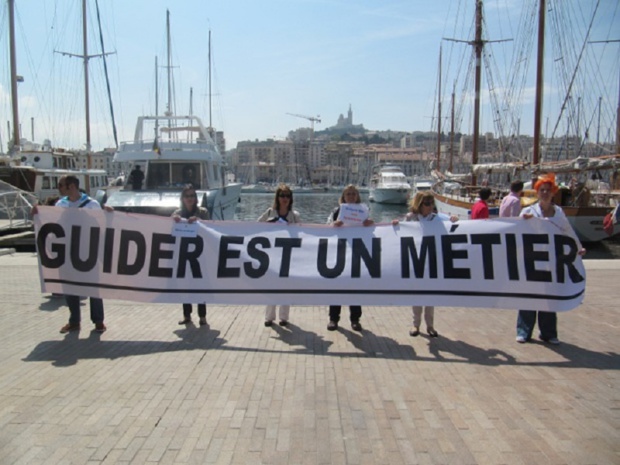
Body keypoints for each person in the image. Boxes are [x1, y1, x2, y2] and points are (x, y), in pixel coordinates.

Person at [32, 175, 110, 333]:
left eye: (61, 185)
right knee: (70, 287)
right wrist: (37, 212)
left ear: (72, 186)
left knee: (93, 288)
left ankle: (98, 321)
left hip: (88, 252)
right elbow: (50, 223)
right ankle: (74, 321)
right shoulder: (61, 204)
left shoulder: (92, 205)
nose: (58, 188)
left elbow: (102, 226)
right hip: (67, 253)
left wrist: (108, 214)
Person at [516, 173, 586, 345]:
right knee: (529, 295)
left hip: (552, 261)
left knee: (549, 296)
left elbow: (568, 231)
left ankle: (548, 333)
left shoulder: (558, 213)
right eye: (542, 190)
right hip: (531, 260)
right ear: (537, 192)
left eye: (548, 190)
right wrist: (523, 221)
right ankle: (524, 331)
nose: (545, 193)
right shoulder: (528, 211)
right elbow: (515, 231)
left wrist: (578, 247)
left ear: (553, 192)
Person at [392, 192, 458, 338]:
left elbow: (453, 222)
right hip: (416, 261)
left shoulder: (438, 218)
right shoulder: (410, 218)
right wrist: (396, 224)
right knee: (417, 295)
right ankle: (415, 324)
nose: (430, 206)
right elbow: (401, 229)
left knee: (430, 297)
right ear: (419, 204)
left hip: (432, 261)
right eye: (427, 203)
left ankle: (430, 326)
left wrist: (454, 219)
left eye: (431, 203)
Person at [327, 184, 374, 332]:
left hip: (357, 253)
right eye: (349, 194)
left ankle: (355, 319)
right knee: (337, 287)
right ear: (344, 196)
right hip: (340, 252)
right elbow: (326, 229)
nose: (352, 196)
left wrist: (369, 224)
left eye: (354, 193)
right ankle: (333, 319)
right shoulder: (336, 211)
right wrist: (334, 224)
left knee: (355, 287)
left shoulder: (364, 210)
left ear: (357, 196)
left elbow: (373, 227)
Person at [257, 184, 301, 327]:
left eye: (287, 195)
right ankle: (269, 317)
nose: (285, 198)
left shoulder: (295, 216)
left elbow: (303, 234)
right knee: (270, 286)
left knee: (286, 286)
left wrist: (292, 228)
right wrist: (270, 224)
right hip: (271, 255)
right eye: (282, 195)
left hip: (288, 256)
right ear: (277, 197)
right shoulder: (270, 212)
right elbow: (256, 226)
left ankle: (284, 317)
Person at [172, 185, 210, 326]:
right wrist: (172, 220)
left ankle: (202, 316)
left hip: (199, 255)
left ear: (196, 198)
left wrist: (199, 221)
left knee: (200, 285)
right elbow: (168, 229)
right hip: (182, 254)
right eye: (187, 196)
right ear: (182, 198)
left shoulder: (203, 212)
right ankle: (187, 315)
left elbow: (210, 228)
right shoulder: (177, 213)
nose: (190, 198)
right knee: (184, 285)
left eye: (192, 195)